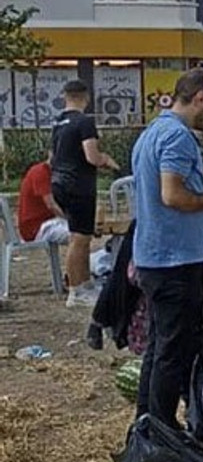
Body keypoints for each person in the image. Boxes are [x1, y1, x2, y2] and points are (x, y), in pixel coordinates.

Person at [131, 68, 203, 429]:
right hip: (173, 263)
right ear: (200, 97)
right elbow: (172, 195)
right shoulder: (177, 138)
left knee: (159, 348)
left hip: (158, 255)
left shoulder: (153, 132)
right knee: (172, 353)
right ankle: (162, 432)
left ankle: (148, 424)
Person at [50, 80, 119, 306]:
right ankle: (76, 289)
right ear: (86, 97)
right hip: (79, 185)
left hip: (59, 182)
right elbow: (91, 155)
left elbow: (52, 158)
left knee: (78, 236)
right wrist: (106, 160)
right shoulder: (84, 122)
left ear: (65, 96)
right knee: (80, 239)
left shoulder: (59, 122)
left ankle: (84, 283)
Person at [17, 153, 68, 244]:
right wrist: (69, 220)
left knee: (81, 231)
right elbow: (51, 205)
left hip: (41, 224)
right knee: (79, 235)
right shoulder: (41, 172)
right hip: (36, 228)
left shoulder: (47, 173)